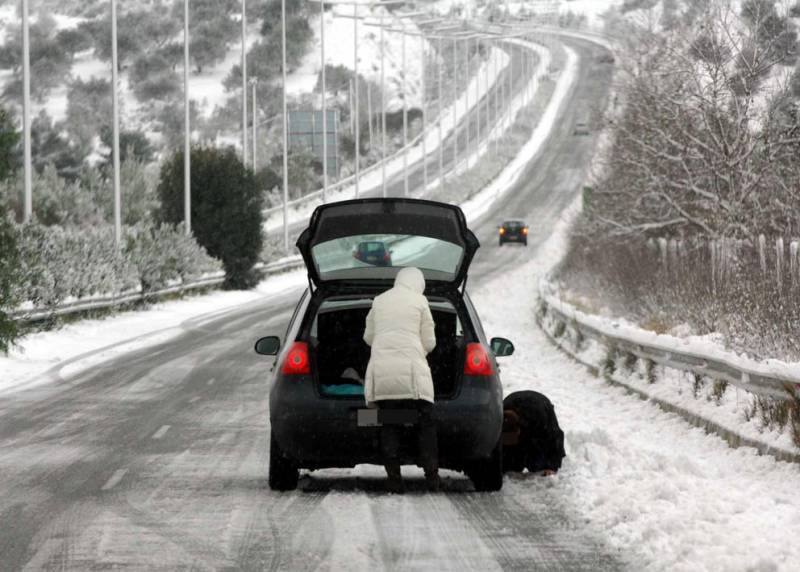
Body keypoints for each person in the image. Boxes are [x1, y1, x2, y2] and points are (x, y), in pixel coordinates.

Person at [363, 266, 439, 493]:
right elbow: (430, 342)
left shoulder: (379, 300)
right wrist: (414, 352)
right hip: (413, 378)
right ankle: (432, 477)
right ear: (418, 284)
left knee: (389, 424)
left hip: (383, 376)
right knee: (425, 424)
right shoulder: (420, 302)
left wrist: (386, 347)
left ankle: (394, 479)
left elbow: (368, 337)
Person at [501, 390, 565, 475]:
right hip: (516, 403)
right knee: (510, 464)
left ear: (518, 429)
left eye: (512, 438)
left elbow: (556, 437)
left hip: (540, 404)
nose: (511, 442)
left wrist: (552, 466)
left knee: (537, 464)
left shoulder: (540, 419)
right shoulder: (498, 416)